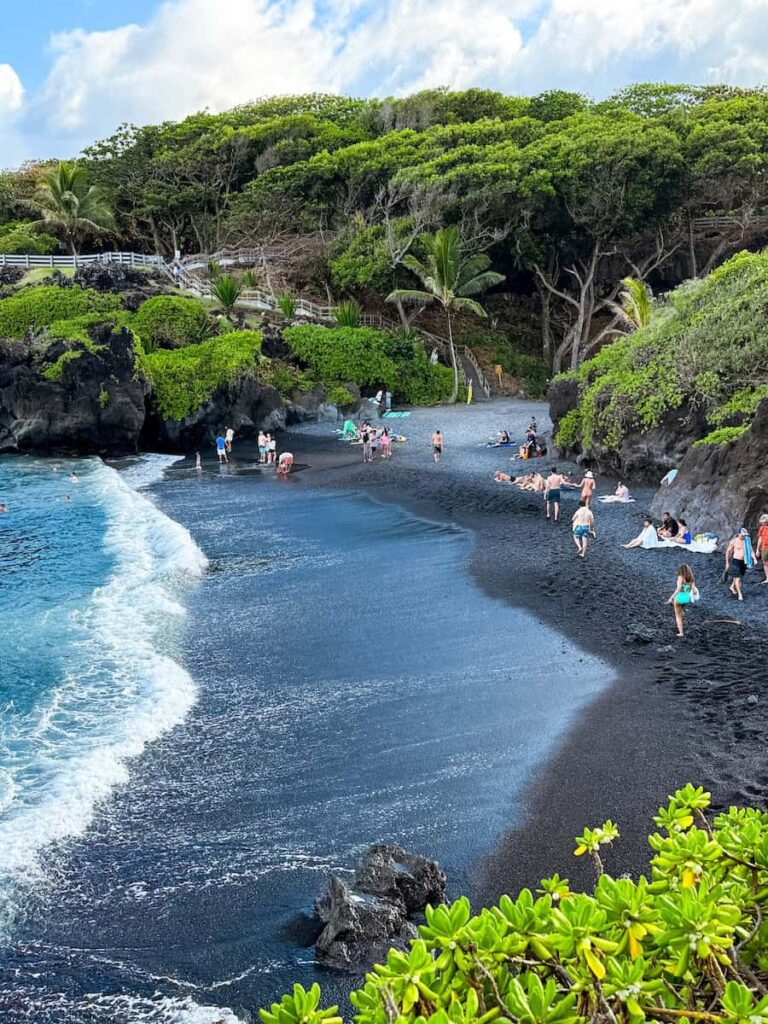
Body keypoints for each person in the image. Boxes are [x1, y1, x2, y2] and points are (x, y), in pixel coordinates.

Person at [668, 564, 698, 638]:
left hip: (680, 597)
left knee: (678, 616)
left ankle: (681, 632)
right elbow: (694, 592)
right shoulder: (691, 579)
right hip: (686, 598)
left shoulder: (680, 577)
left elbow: (678, 589)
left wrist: (671, 597)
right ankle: (682, 613)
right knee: (680, 610)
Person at [725, 528, 754, 601]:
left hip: (743, 562)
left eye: (745, 535)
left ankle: (732, 586)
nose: (744, 537)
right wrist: (727, 563)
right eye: (742, 535)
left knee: (739, 576)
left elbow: (750, 550)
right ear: (739, 534)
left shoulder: (746, 541)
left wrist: (754, 558)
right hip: (736, 561)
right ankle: (740, 594)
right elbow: (728, 552)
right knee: (737, 578)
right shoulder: (734, 541)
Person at [756, 513, 768, 584]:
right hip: (764, 548)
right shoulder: (762, 528)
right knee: (765, 563)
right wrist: (758, 549)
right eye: (762, 523)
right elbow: (760, 539)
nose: (763, 524)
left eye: (764, 522)